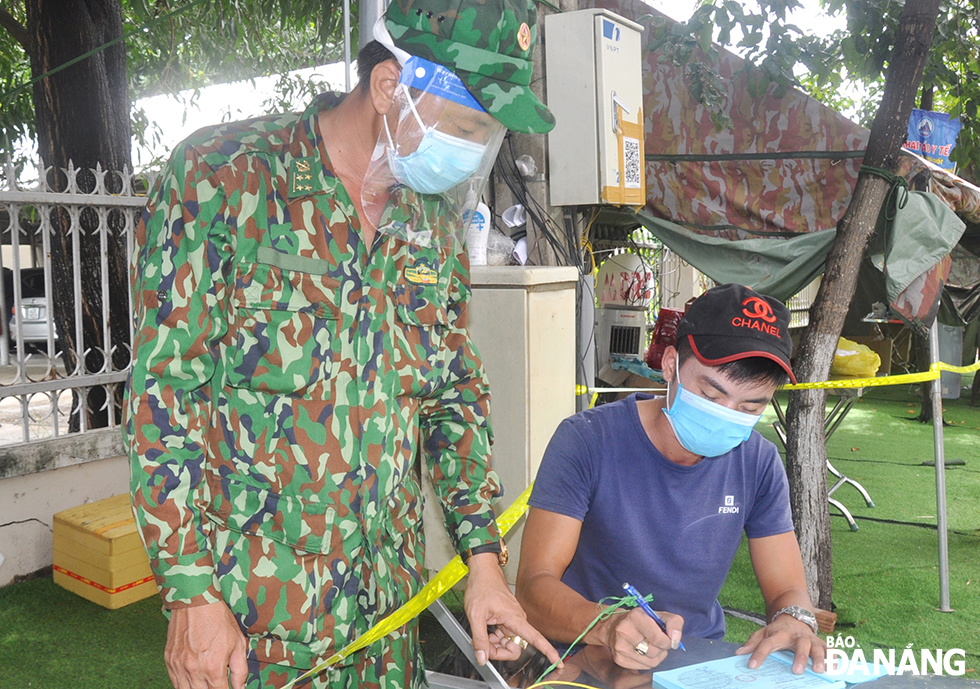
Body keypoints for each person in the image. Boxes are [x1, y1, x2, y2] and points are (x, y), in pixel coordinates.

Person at [123, 0, 560, 687]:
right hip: (255, 627)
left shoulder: (432, 226)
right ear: (390, 85)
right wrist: (191, 592)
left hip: (387, 626)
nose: (476, 149)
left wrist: (483, 561)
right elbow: (163, 398)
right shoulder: (223, 176)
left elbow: (452, 395)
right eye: (471, 125)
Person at [516, 283, 828, 675]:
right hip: (582, 654)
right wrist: (608, 625)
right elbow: (533, 586)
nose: (727, 415)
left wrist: (793, 619)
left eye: (750, 407)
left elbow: (786, 589)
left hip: (694, 661)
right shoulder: (588, 440)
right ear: (669, 366)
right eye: (712, 397)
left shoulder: (758, 462)